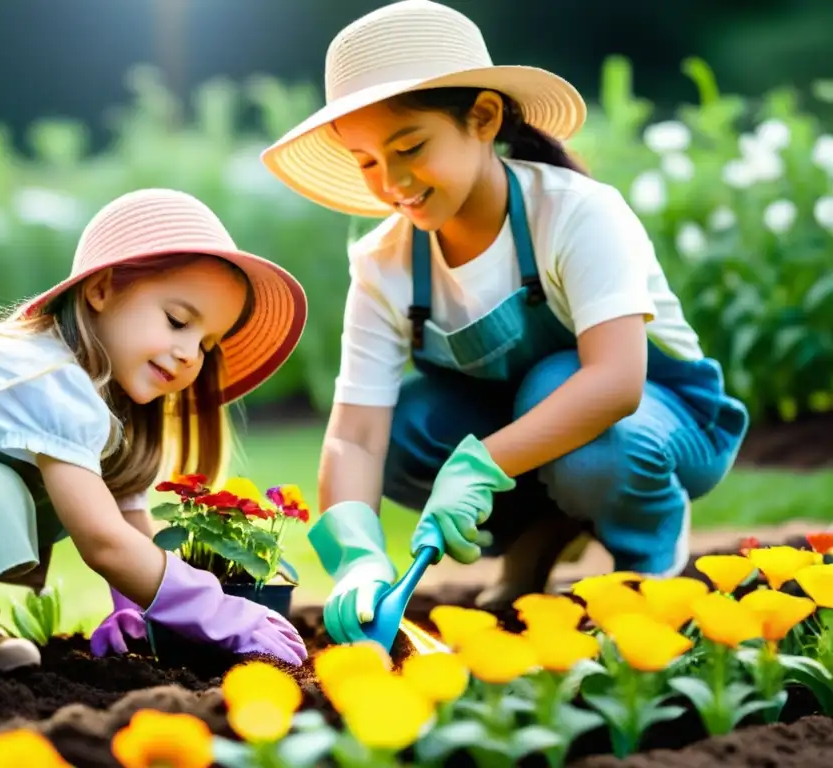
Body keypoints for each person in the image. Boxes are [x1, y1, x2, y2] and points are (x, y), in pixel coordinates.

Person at [260, 0, 749, 643]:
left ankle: (649, 568)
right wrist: (357, 559)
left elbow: (617, 381)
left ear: (484, 118)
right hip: (531, 437)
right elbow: (355, 437)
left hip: (664, 422)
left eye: (410, 146)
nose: (393, 181)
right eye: (368, 161)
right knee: (410, 432)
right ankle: (538, 540)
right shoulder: (384, 264)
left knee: (558, 387)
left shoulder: (576, 214)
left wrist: (479, 464)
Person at [0, 189, 310, 686]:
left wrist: (140, 608)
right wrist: (219, 613)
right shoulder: (46, 374)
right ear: (101, 291)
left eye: (205, 344)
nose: (188, 354)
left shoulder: (98, 405)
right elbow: (102, 542)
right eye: (177, 321)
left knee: (36, 486)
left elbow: (127, 526)